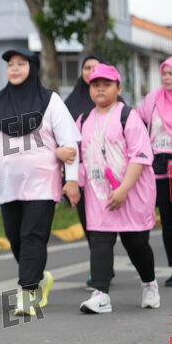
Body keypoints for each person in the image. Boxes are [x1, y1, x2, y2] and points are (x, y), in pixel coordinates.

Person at [0, 48, 80, 316]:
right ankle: (38, 278)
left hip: (43, 183)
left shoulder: (50, 101)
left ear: (32, 68)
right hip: (8, 184)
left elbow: (69, 144)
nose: (15, 68)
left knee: (32, 235)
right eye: (11, 65)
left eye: (21, 63)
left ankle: (28, 293)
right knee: (15, 237)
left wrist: (72, 180)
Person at [75, 63, 159, 313]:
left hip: (132, 193)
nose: (100, 89)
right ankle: (101, 295)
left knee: (136, 244)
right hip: (99, 196)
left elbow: (140, 156)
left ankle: (149, 283)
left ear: (118, 88)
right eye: (95, 85)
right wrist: (73, 184)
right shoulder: (83, 120)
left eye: (107, 84)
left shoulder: (128, 117)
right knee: (99, 241)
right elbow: (78, 157)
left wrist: (123, 190)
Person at [62, 53, 108, 288]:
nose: (90, 72)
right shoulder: (69, 104)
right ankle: (101, 268)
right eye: (87, 68)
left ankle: (104, 265)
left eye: (95, 67)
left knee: (108, 225)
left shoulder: (115, 103)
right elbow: (62, 139)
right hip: (81, 176)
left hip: (110, 176)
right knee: (88, 222)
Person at [136, 56, 172, 286]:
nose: (167, 78)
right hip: (161, 169)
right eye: (165, 73)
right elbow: (135, 121)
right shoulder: (153, 99)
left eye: (171, 73)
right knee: (168, 221)